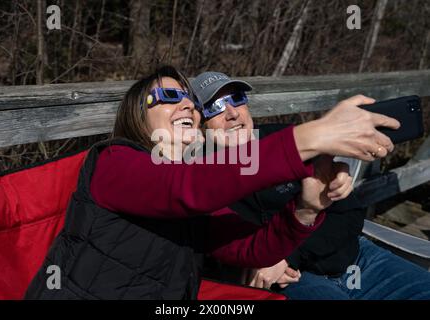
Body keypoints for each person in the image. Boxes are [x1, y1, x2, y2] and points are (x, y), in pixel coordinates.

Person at [25, 66, 396, 300]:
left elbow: (252, 250)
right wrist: (309, 136)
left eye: (190, 101)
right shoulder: (114, 162)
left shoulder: (193, 187)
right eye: (170, 96)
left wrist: (305, 209)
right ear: (137, 115)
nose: (188, 105)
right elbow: (183, 189)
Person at [192, 71, 430, 300]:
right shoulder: (197, 181)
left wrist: (289, 258)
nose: (232, 113)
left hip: (358, 259)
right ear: (199, 124)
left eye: (236, 98)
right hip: (296, 282)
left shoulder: (290, 140)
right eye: (215, 107)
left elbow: (349, 212)